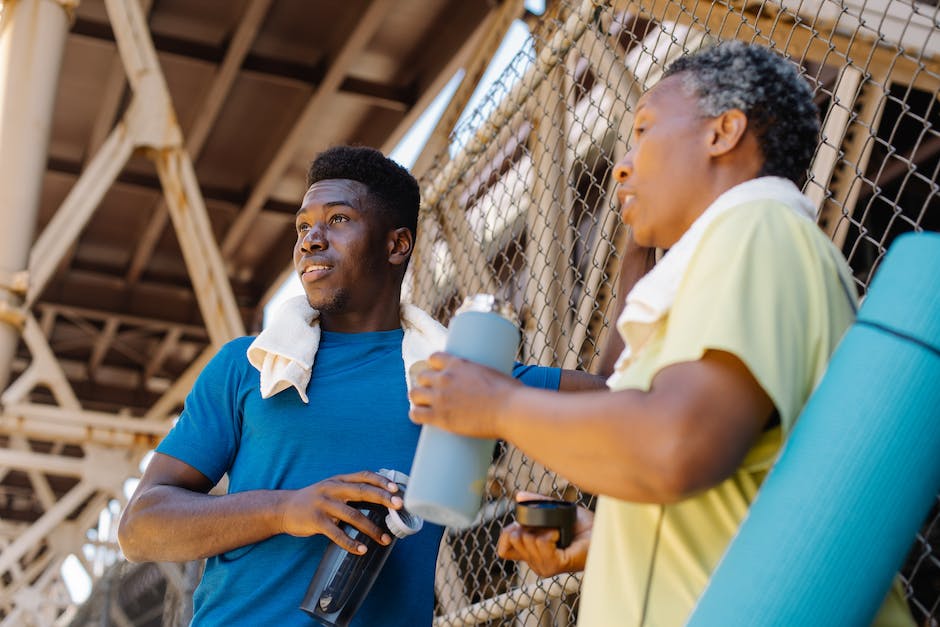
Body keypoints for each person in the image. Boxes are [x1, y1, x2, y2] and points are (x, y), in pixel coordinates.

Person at [409, 42, 914, 625]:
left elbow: (676, 445)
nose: (624, 163)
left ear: (723, 132)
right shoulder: (737, 256)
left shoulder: (757, 227)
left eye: (644, 129)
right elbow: (730, 482)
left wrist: (496, 405)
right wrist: (608, 534)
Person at [117, 145, 602, 626]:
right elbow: (140, 528)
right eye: (304, 226)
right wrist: (286, 508)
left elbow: (623, 400)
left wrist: (643, 250)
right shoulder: (249, 366)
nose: (310, 240)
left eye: (338, 220)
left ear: (397, 245)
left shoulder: (454, 376)